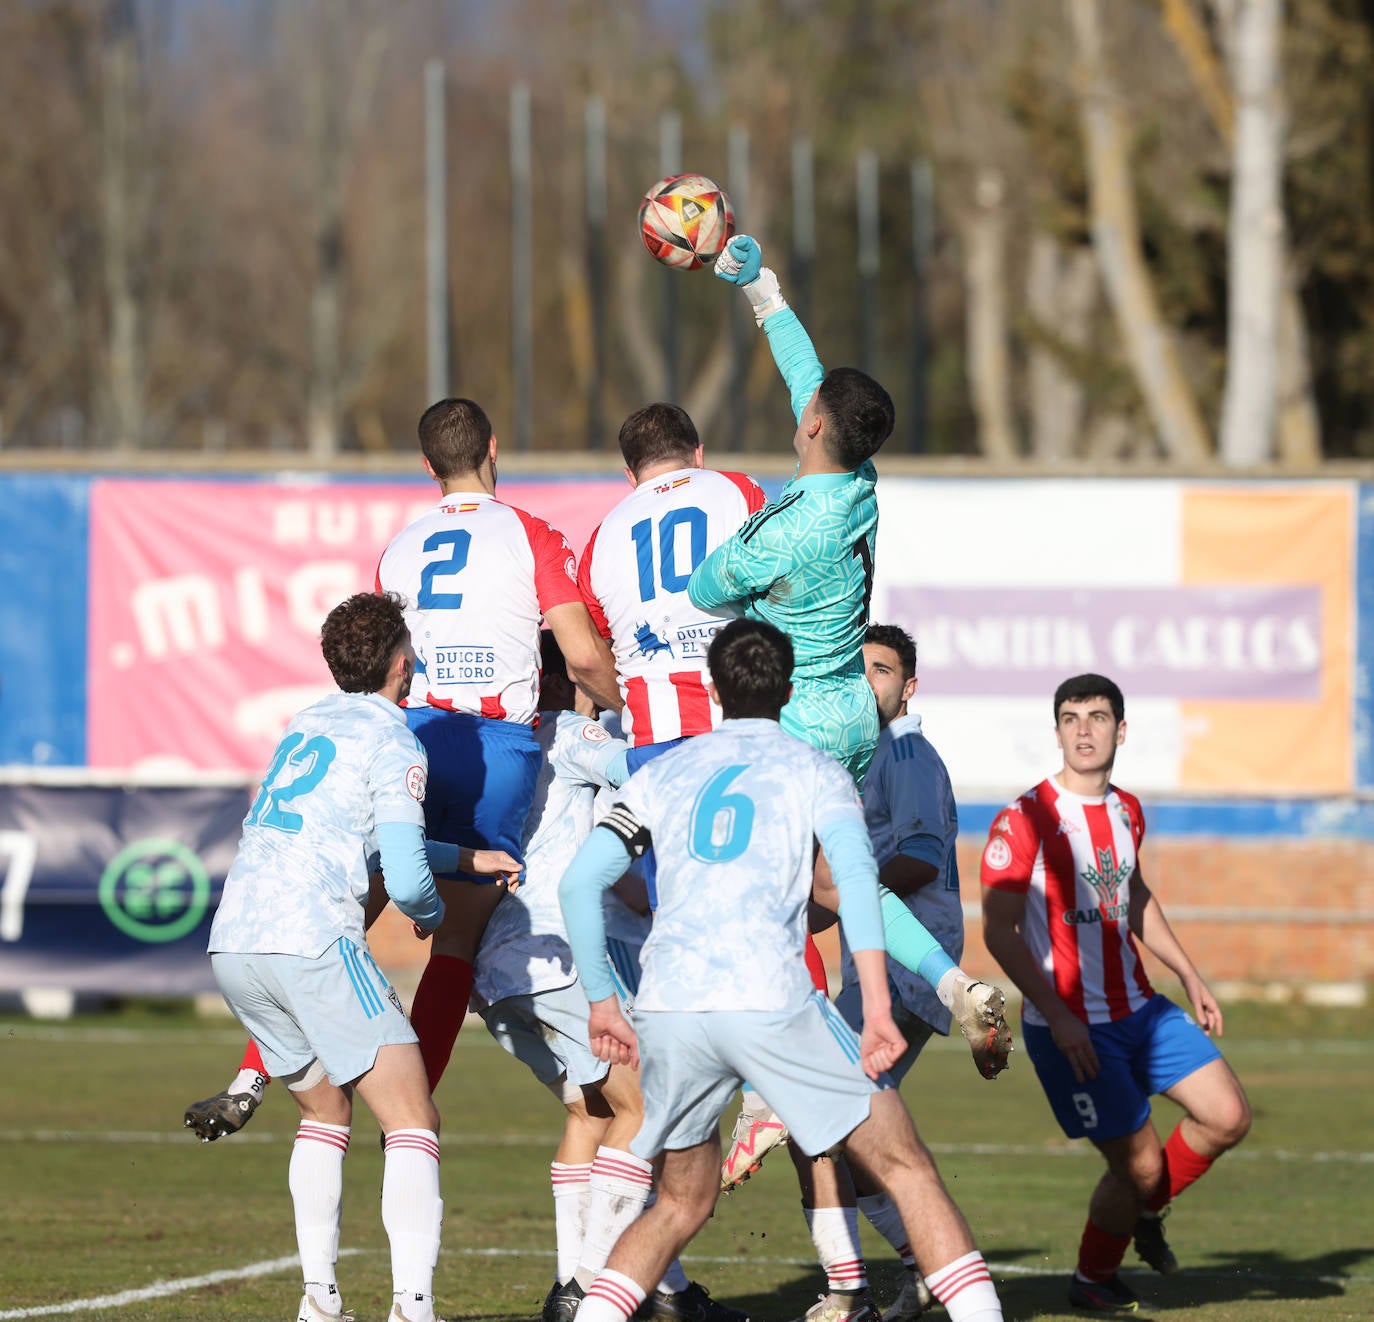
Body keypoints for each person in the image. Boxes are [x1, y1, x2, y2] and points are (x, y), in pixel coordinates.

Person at [557, 619, 1007, 1322]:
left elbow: (580, 884)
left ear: (712, 688)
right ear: (791, 690)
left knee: (678, 1203)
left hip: (672, 1008)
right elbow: (857, 886)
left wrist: (601, 1000)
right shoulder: (814, 769)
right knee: (905, 1164)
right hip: (770, 997)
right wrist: (881, 1005)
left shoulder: (665, 773)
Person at [471, 635, 742, 1322]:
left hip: (501, 965)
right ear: (564, 676)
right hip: (557, 951)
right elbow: (638, 765)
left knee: (590, 1109)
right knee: (645, 1106)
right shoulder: (565, 730)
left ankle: (655, 1289)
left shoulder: (497, 740)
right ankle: (590, 1287)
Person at [206, 591, 452, 1322]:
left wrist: (467, 853)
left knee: (323, 1109)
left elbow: (342, 830)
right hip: (313, 939)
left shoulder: (305, 722)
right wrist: (433, 915)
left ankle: (319, 1302)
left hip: (236, 940)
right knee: (411, 1119)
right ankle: (413, 1308)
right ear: (401, 662)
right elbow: (405, 878)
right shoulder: (396, 739)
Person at [980, 674, 1251, 1313]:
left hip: (1142, 1009)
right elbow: (998, 931)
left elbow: (1131, 897)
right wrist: (1056, 1015)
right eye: (1070, 717)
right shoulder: (1024, 820)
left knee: (1228, 1116)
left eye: (1097, 717)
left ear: (1120, 731)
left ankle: (1143, 1213)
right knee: (1142, 1166)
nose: (1083, 729)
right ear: (1056, 732)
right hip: (1072, 1028)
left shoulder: (1128, 810)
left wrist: (1188, 973)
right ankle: (1093, 1279)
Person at [378, 397, 622, 1093]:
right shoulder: (530, 535)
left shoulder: (397, 547)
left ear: (428, 467)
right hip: (496, 750)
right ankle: (411, 1109)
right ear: (493, 447)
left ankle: (268, 1075)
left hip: (416, 737)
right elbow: (580, 657)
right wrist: (631, 707)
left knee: (349, 920)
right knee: (455, 942)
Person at [691, 234, 892, 786]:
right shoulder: (861, 477)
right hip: (854, 711)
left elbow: (704, 589)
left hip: (795, 720)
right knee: (833, 866)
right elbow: (806, 375)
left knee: (783, 867)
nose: (802, 399)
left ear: (816, 425)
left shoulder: (786, 531)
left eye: (811, 402)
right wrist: (763, 291)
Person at [578, 401, 766, 759]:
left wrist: (630, 702)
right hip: (737, 726)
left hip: (652, 734)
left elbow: (595, 646)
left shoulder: (601, 538)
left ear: (630, 476)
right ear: (699, 454)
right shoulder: (740, 490)